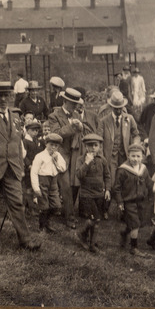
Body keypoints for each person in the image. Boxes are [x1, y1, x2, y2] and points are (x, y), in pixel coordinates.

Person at [0, 81, 41, 250]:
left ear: (11, 97)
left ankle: (25, 240)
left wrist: (19, 167)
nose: (4, 99)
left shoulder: (14, 117)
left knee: (17, 203)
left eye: (7, 95)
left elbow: (17, 145)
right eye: (0, 96)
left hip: (12, 169)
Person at [47, 87, 91, 229]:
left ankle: (66, 210)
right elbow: (55, 135)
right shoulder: (54, 115)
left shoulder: (77, 115)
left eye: (76, 104)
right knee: (65, 185)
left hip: (75, 155)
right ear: (65, 101)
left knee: (74, 185)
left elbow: (85, 131)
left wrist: (81, 127)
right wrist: (71, 126)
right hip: (61, 154)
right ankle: (70, 218)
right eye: (72, 103)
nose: (74, 106)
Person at [113, 143, 152, 257]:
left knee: (138, 222)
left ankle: (124, 233)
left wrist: (153, 191)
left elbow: (148, 182)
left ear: (142, 157)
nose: (135, 159)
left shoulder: (143, 169)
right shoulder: (123, 170)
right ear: (128, 156)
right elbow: (117, 188)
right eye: (133, 156)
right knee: (135, 224)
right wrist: (120, 202)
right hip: (128, 201)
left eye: (138, 156)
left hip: (141, 200)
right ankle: (134, 247)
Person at [98, 90, 141, 191]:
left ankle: (124, 204)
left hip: (125, 155)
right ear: (111, 107)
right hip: (110, 156)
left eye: (120, 108)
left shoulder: (129, 119)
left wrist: (134, 146)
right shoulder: (104, 121)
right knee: (112, 182)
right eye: (116, 108)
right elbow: (99, 140)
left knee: (126, 181)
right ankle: (112, 203)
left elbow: (136, 135)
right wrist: (101, 156)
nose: (118, 111)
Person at [75, 133, 111, 253]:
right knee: (94, 219)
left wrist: (107, 190)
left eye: (96, 145)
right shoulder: (81, 160)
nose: (93, 148)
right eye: (90, 146)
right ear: (85, 147)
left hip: (99, 194)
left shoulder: (102, 160)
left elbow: (107, 176)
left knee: (97, 220)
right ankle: (83, 234)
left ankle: (90, 242)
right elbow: (79, 175)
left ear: (100, 146)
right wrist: (87, 163)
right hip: (86, 195)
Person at [29, 132, 66, 234]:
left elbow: (63, 168)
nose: (53, 148)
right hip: (43, 182)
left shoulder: (58, 155)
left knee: (56, 205)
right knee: (44, 206)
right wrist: (36, 188)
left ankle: (47, 223)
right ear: (46, 144)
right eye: (51, 145)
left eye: (56, 145)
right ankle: (42, 227)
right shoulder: (40, 156)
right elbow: (34, 172)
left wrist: (56, 160)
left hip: (53, 182)